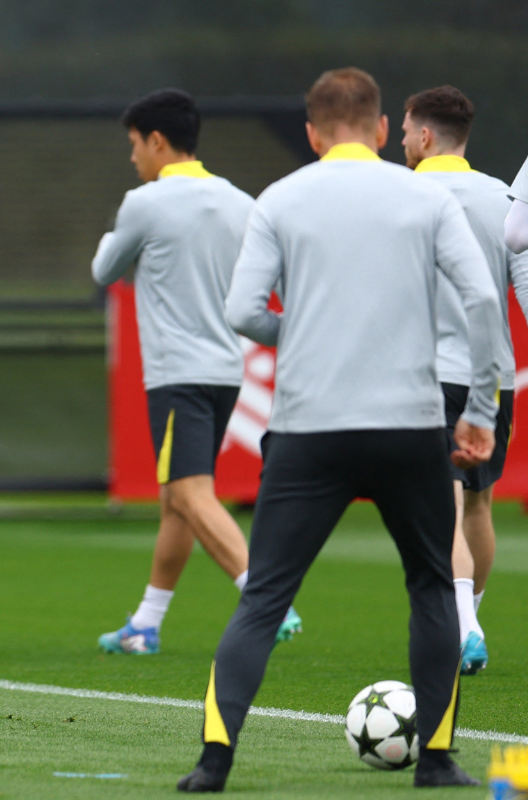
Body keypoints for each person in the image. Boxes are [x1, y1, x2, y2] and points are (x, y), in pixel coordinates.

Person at [178, 68, 499, 792]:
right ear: (384, 130)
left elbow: (241, 311)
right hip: (409, 425)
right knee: (427, 588)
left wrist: (300, 328)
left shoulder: (282, 198)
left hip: (309, 429)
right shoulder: (423, 194)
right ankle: (440, 762)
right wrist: (479, 408)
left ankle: (212, 764)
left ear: (312, 133)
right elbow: (481, 299)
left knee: (265, 596)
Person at [90, 89, 300, 656]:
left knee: (190, 492)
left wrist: (125, 243)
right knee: (177, 501)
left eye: (135, 145)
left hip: (176, 375)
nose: (133, 158)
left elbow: (105, 267)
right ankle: (145, 624)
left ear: (157, 141)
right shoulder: (241, 202)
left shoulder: (145, 202)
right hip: (226, 373)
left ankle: (265, 595)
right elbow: (271, 290)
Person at [402, 85, 528, 677]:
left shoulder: (401, 195)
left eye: (404, 132)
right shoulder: (502, 196)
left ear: (424, 136)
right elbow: (526, 290)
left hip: (425, 375)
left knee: (441, 505)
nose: (402, 142)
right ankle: (471, 615)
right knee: (479, 504)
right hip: (492, 377)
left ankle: (464, 625)